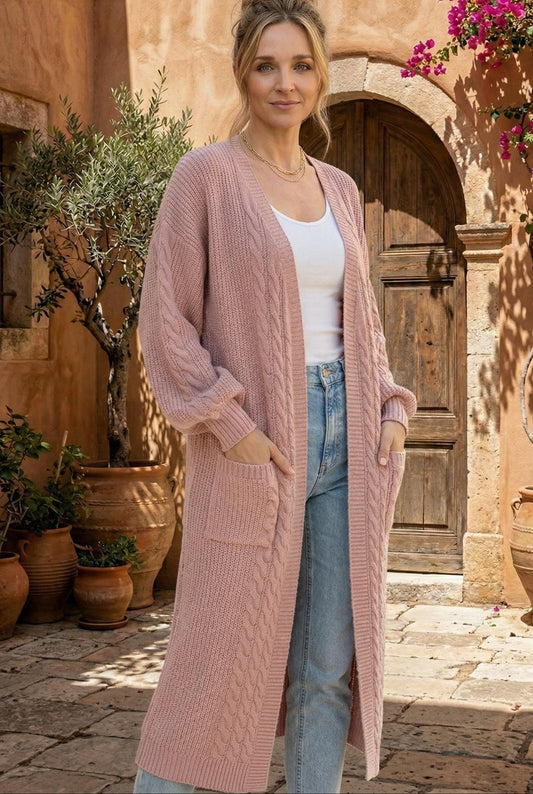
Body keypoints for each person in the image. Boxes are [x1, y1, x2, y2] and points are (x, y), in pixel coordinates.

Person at [133, 1, 416, 792]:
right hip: (261, 438)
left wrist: (390, 412)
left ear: (319, 76)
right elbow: (166, 324)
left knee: (326, 661)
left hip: (347, 441)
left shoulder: (341, 187)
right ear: (241, 73)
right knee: (215, 660)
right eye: (265, 65)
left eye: (299, 65)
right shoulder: (207, 177)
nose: (283, 82)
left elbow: (358, 321)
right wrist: (232, 425)